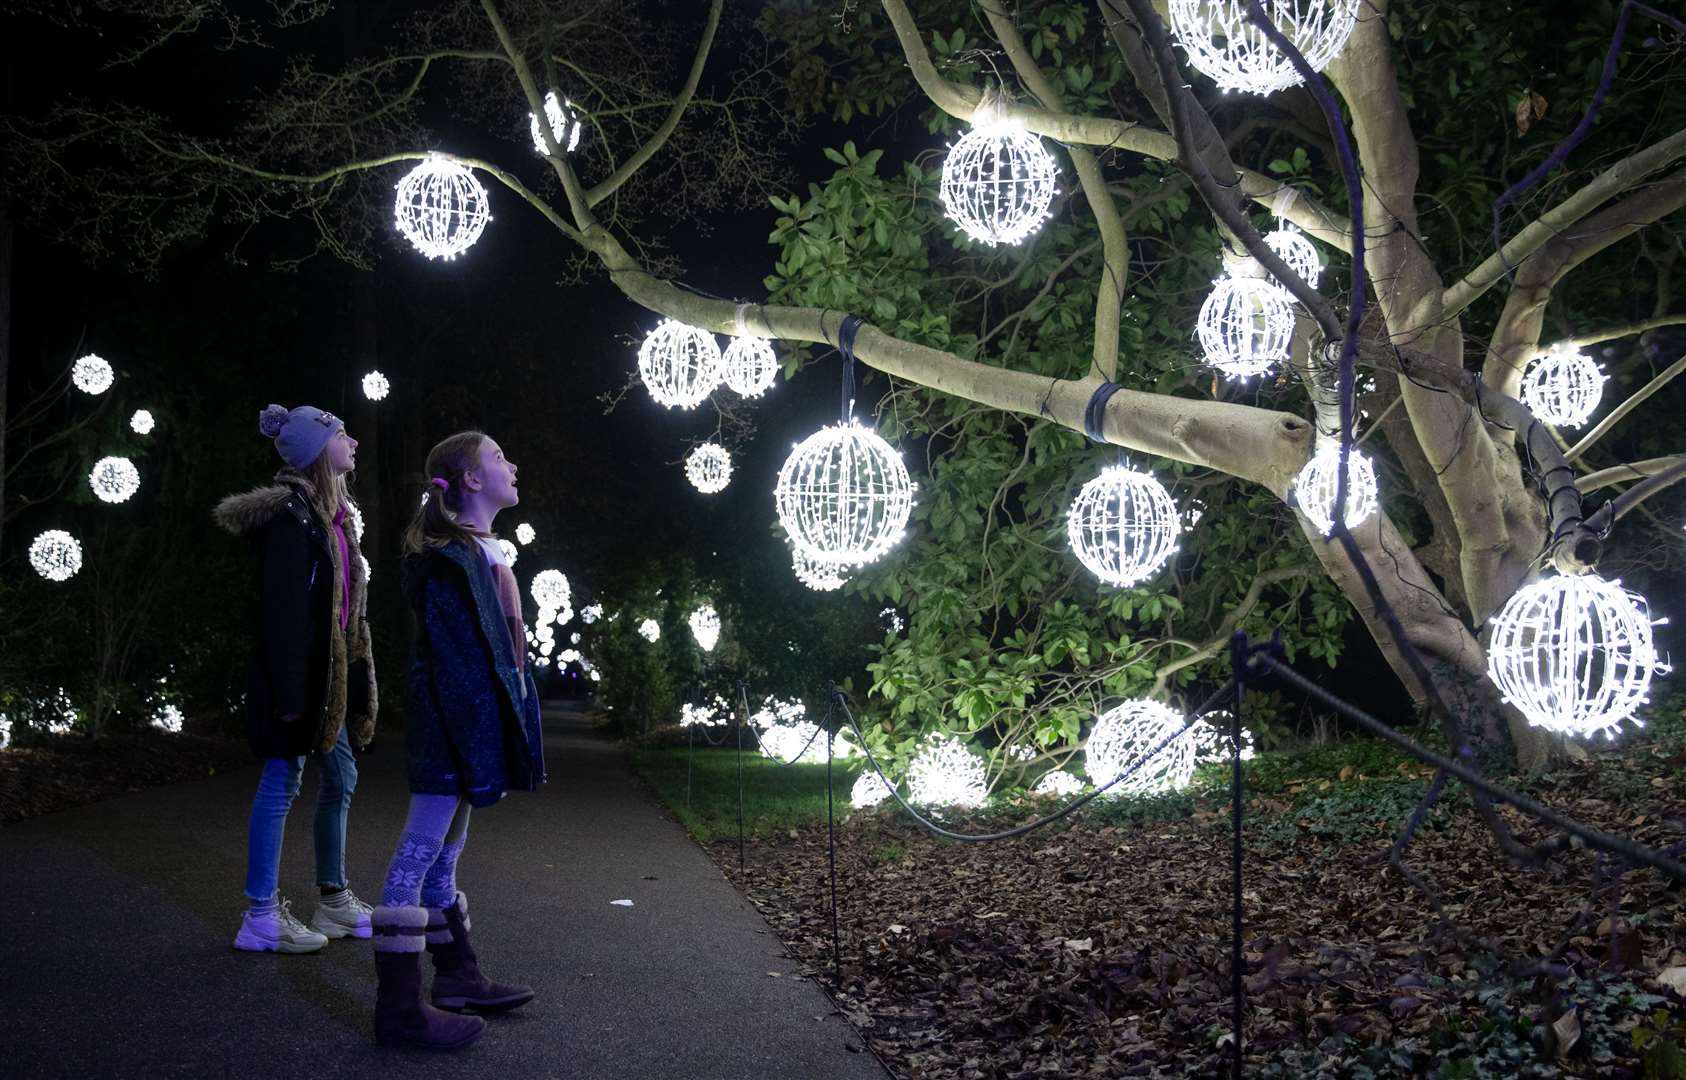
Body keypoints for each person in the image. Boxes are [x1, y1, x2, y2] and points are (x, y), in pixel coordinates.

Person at [370, 430, 546, 1051]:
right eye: (500, 457)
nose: (514, 463)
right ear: (471, 481)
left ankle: (457, 977)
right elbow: (456, 661)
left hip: (470, 723)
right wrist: (476, 739)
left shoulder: (482, 553)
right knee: (415, 856)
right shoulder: (450, 559)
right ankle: (398, 1010)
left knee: (446, 849)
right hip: (451, 723)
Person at [213, 403, 379, 954]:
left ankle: (332, 899)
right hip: (299, 680)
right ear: (315, 450)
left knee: (343, 779)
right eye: (340, 434)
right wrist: (290, 691)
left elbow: (344, 611)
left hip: (326, 680)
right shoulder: (291, 518)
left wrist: (352, 674)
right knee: (281, 783)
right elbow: (283, 612)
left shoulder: (331, 517)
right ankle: (260, 914)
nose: (352, 441)